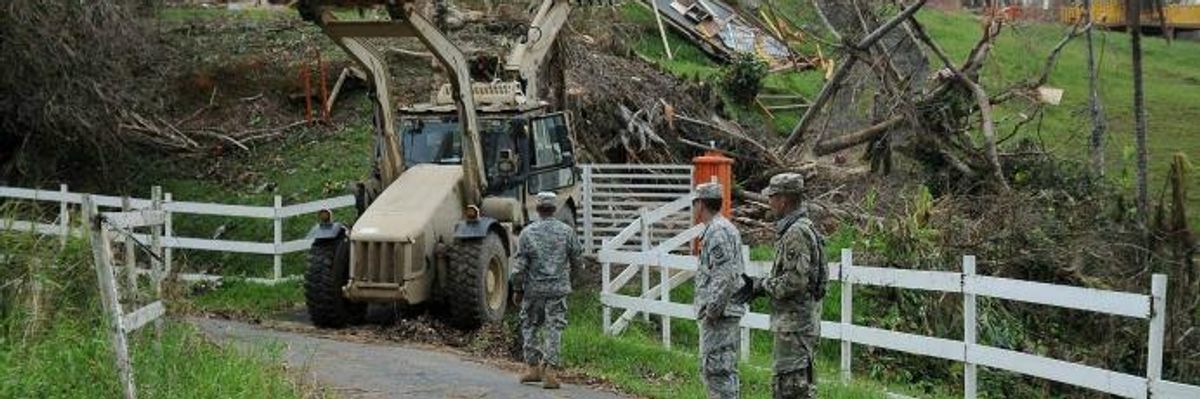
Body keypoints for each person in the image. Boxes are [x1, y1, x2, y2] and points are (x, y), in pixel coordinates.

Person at [739, 173, 827, 399]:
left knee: (790, 390)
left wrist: (760, 286)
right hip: (799, 325)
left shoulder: (796, 233)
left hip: (795, 327)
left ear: (784, 200)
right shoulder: (802, 228)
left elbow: (795, 281)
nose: (770, 202)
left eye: (773, 197)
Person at [510, 191, 582, 389]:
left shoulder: (527, 233)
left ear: (537, 209)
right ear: (554, 209)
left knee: (530, 326)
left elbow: (519, 268)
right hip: (558, 290)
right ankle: (550, 370)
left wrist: (517, 289)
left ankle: (532, 368)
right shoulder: (567, 232)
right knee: (554, 329)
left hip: (534, 290)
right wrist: (571, 282)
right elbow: (578, 261)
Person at [693, 182, 748, 399]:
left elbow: (723, 276)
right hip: (724, 312)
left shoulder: (717, 232)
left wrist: (712, 311)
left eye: (695, 202)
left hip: (720, 315)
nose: (694, 208)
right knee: (721, 370)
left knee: (718, 371)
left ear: (702, 204)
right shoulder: (723, 228)